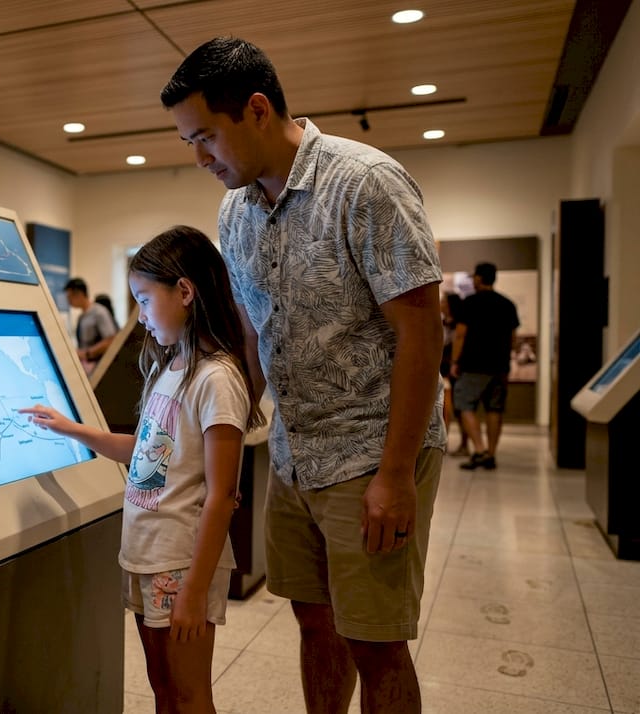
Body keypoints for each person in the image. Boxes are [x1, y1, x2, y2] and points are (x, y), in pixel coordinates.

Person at [162, 37, 445, 713]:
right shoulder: (235, 213)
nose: (199, 158)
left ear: (256, 110)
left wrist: (397, 474)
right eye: (188, 142)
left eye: (206, 137)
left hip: (370, 455)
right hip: (293, 456)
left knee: (376, 642)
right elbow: (259, 331)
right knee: (314, 622)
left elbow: (421, 331)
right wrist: (220, 430)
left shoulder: (364, 183)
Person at [21, 226, 263, 713]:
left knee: (189, 693)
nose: (142, 318)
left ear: (186, 292)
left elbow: (221, 495)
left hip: (181, 560)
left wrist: (195, 589)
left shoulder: (217, 378)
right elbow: (147, 450)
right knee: (162, 687)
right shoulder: (170, 367)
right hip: (146, 553)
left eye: (145, 300)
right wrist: (73, 429)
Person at [450, 262, 519, 470]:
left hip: (473, 365)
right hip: (499, 366)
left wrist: (455, 361)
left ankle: (478, 450)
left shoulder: (469, 303)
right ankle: (491, 453)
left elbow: (460, 334)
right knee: (494, 408)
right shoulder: (508, 304)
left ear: (479, 278)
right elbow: (513, 338)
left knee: (464, 404)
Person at [64, 277, 118, 372]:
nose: (68, 301)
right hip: (87, 366)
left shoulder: (99, 312)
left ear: (79, 294)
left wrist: (87, 354)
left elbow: (110, 340)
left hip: (99, 367)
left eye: (70, 297)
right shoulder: (82, 316)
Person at [440, 292, 469, 456]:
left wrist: (454, 363)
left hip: (455, 370)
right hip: (443, 370)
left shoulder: (459, 325)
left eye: (443, 301)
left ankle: (465, 443)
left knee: (458, 408)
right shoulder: (441, 322)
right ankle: (444, 442)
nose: (440, 303)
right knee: (444, 408)